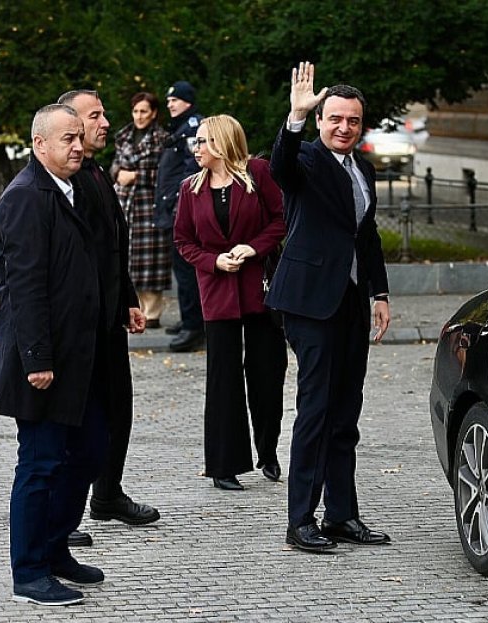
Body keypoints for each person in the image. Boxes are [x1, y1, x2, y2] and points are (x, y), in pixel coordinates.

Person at [265, 62, 391, 552]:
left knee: (345, 414)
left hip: (351, 304)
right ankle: (302, 521)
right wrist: (294, 117)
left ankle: (341, 515)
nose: (344, 127)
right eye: (334, 118)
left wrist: (378, 294)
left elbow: (367, 236)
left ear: (361, 125)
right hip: (308, 303)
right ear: (321, 121)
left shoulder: (364, 169)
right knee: (316, 411)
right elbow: (280, 166)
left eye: (353, 121)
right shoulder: (307, 161)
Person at [0, 104, 109, 605]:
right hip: (41, 362)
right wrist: (38, 358)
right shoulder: (25, 197)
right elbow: (24, 287)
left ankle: (56, 547)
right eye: (67, 138)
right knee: (39, 464)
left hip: (79, 359)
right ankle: (29, 572)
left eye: (80, 137)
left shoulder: (71, 189)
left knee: (88, 451)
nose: (78, 145)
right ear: (40, 144)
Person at [57, 89, 160, 532]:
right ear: (71, 123)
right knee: (76, 418)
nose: (104, 122)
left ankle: (108, 494)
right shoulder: (66, 179)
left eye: (102, 114)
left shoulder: (96, 171)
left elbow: (111, 246)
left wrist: (129, 299)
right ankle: (62, 516)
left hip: (109, 316)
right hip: (82, 322)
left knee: (118, 407)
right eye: (94, 115)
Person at [174, 114, 287, 491]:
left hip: (260, 288)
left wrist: (253, 247)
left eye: (204, 141)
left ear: (222, 143)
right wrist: (213, 261)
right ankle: (224, 465)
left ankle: (267, 449)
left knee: (267, 373)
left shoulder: (258, 172)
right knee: (222, 379)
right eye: (196, 141)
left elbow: (280, 219)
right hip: (217, 292)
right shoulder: (190, 188)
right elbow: (184, 241)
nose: (197, 148)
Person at [111, 91, 170, 329]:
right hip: (125, 201)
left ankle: (153, 311)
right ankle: (133, 307)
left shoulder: (163, 139)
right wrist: (118, 174)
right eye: (136, 111)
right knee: (127, 254)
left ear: (154, 113)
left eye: (144, 111)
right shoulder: (124, 135)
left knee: (151, 258)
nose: (139, 116)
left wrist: (136, 175)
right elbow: (115, 163)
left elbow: (166, 174)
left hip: (149, 203)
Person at [154, 80, 204, 352]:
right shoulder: (182, 128)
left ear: (187, 101)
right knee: (182, 272)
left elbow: (193, 166)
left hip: (182, 210)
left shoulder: (193, 128)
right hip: (175, 209)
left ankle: (194, 327)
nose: (170, 104)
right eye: (169, 100)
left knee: (187, 273)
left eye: (175, 99)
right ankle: (189, 318)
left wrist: (176, 199)